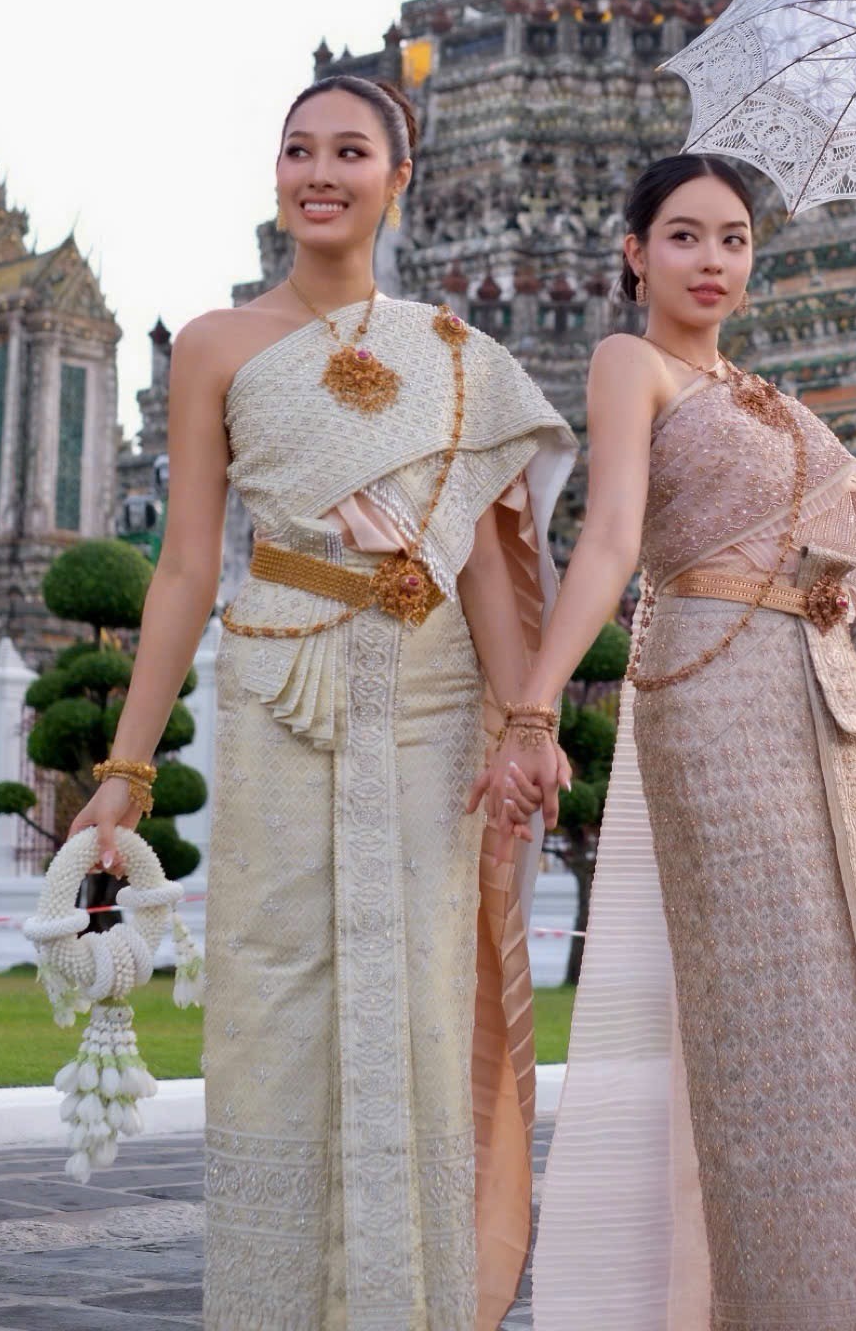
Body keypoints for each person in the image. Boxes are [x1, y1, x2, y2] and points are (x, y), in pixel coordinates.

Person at [69, 74, 576, 1331]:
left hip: (430, 697)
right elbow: (188, 565)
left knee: (417, 991)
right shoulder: (216, 347)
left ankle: (410, 1301)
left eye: (351, 151)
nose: (319, 172)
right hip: (280, 689)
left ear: (397, 180)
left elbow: (487, 569)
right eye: (298, 150)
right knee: (273, 989)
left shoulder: (457, 356)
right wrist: (127, 768)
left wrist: (525, 723)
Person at [480, 153, 856, 1330]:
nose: (711, 261)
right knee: (760, 1030)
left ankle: (854, 1297)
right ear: (633, 252)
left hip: (819, 713)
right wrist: (534, 705)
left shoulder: (778, 401)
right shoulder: (632, 365)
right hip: (710, 708)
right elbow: (608, 541)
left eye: (732, 241)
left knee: (838, 1022)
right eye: (683, 236)